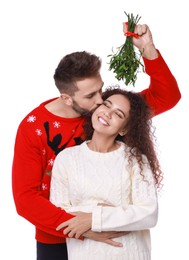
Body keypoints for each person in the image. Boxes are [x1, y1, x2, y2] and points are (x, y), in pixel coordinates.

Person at [12, 22, 181, 260]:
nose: (101, 100)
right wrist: (85, 227)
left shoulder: (105, 114)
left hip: (113, 232)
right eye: (91, 95)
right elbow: (26, 199)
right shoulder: (33, 127)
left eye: (100, 90)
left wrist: (148, 50)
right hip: (57, 236)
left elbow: (167, 96)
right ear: (66, 98)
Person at [50, 86, 162, 259]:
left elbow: (148, 214)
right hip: (84, 253)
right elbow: (59, 215)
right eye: (107, 105)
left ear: (124, 129)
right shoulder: (67, 159)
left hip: (130, 252)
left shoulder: (135, 160)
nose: (108, 114)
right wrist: (111, 213)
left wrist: (91, 218)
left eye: (119, 114)